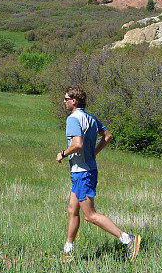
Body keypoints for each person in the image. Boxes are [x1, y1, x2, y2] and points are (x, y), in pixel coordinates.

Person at [56, 86, 140, 261]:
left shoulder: (73, 119)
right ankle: (68, 251)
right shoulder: (91, 118)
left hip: (82, 173)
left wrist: (63, 153)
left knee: (90, 215)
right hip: (86, 170)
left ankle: (128, 240)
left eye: (66, 99)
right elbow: (107, 136)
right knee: (73, 210)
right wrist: (94, 152)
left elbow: (77, 144)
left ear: (74, 101)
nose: (64, 102)